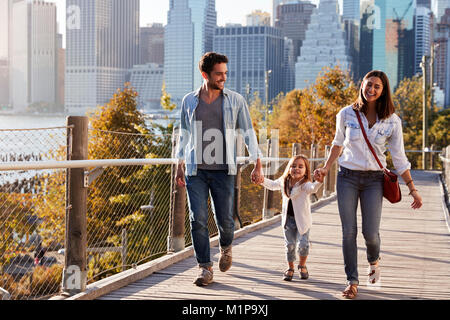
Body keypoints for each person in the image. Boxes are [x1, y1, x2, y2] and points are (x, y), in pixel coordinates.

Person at [315, 70, 423, 299]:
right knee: (348, 232)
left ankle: (374, 261)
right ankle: (352, 281)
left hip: (374, 180)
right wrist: (326, 168)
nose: (371, 89)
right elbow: (337, 144)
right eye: (368, 84)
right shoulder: (346, 114)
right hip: (347, 177)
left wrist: (412, 189)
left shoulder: (392, 121)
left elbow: (399, 158)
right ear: (361, 85)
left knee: (370, 233)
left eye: (377, 87)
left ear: (383, 92)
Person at [175, 52, 264, 286]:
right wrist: (179, 165)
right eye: (219, 74)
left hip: (224, 169)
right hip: (196, 170)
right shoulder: (189, 101)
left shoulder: (235, 100)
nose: (223, 77)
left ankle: (226, 247)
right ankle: (205, 267)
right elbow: (183, 135)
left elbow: (248, 132)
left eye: (225, 73)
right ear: (205, 75)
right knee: (198, 219)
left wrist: (257, 163)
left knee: (225, 220)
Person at [260, 154, 323, 281]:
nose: (296, 168)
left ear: (306, 171)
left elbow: (313, 189)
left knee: (303, 245)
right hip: (288, 220)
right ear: (289, 168)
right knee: (290, 245)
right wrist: (261, 180)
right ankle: (290, 267)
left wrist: (319, 181)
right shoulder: (284, 181)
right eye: (293, 166)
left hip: (302, 221)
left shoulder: (305, 184)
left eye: (301, 166)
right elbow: (272, 185)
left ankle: (302, 265)